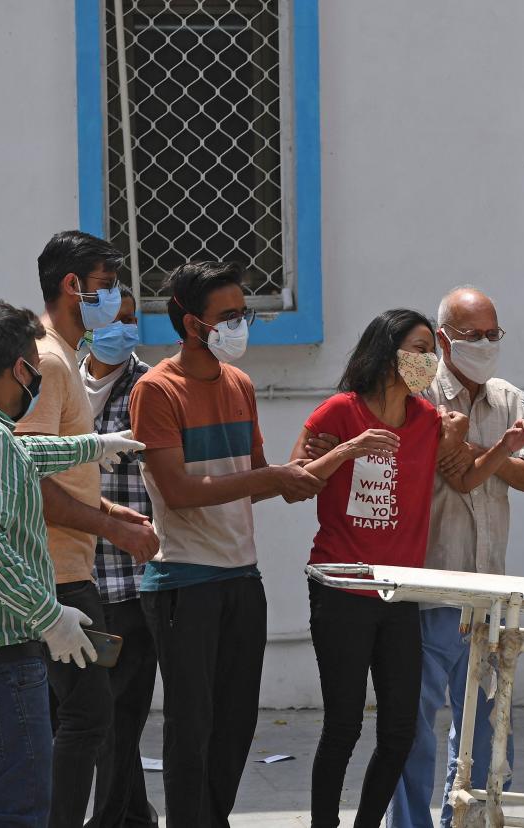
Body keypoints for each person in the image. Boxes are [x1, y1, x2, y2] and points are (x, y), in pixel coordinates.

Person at [0, 301, 142, 825]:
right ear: (21, 369)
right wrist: (48, 616)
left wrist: (94, 445)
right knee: (16, 816)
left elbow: (23, 457)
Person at [130, 261, 325, 827]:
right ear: (193, 325)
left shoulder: (239, 384)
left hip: (243, 577)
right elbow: (179, 491)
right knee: (191, 725)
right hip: (183, 582)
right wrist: (271, 479)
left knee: (236, 724)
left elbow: (258, 477)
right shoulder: (156, 389)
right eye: (230, 316)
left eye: (245, 313)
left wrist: (311, 463)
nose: (241, 324)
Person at [290, 309, 469, 828]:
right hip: (341, 588)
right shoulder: (338, 413)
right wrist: (349, 449)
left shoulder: (428, 420)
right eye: (418, 349)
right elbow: (294, 482)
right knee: (343, 726)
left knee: (399, 731)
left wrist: (467, 439)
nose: (428, 361)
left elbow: (459, 468)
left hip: (399, 595)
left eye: (431, 351)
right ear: (388, 353)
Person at [386, 287, 524, 828]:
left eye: (492, 334)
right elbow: (453, 470)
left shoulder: (509, 399)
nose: (484, 344)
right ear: (444, 338)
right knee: (413, 727)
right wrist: (499, 452)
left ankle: (472, 821)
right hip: (430, 586)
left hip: (489, 590)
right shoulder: (418, 391)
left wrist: (482, 451)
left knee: (488, 729)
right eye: (471, 335)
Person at [17, 230, 159, 828]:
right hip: (57, 578)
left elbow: (60, 470)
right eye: (107, 286)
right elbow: (26, 477)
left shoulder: (61, 356)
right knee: (86, 720)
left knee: (88, 718)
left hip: (71, 570)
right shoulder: (50, 360)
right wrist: (112, 528)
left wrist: (110, 511)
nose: (115, 299)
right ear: (73, 286)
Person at [81, 286, 159, 828]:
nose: (125, 330)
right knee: (96, 716)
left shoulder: (146, 387)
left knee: (118, 714)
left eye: (133, 319)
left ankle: (111, 818)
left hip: (130, 577)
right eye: (116, 319)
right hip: (72, 579)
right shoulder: (55, 381)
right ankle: (134, 815)